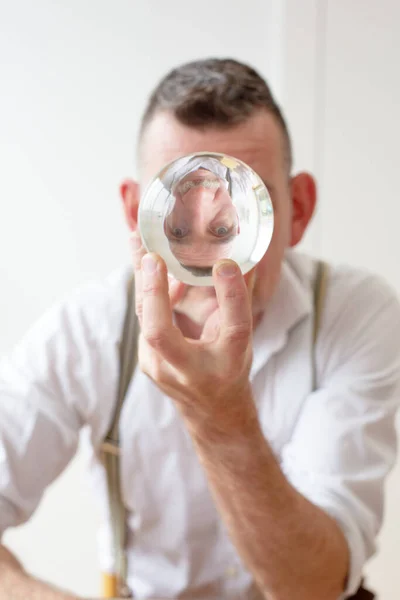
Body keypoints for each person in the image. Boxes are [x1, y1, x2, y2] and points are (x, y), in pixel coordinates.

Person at [1, 58, 399, 600]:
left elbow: (315, 587)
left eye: (234, 224)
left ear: (298, 209)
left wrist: (218, 414)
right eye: (179, 224)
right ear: (136, 212)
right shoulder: (87, 330)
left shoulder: (354, 314)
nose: (214, 262)